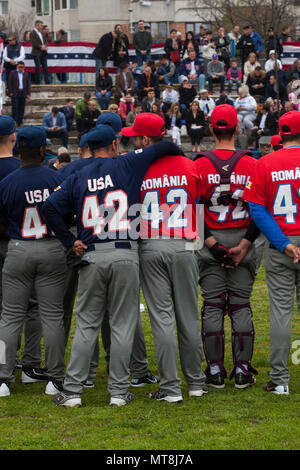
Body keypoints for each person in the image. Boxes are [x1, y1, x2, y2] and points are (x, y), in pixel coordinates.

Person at [42, 119, 182, 408]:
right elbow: (167, 145)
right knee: (122, 323)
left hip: (92, 253)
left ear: (89, 149)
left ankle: (72, 392)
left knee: (87, 325)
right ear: (115, 144)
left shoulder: (77, 175)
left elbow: (50, 207)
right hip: (125, 251)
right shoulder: (127, 163)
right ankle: (118, 392)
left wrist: (70, 242)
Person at [131, 117, 208, 403]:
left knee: (162, 319)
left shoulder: (138, 168)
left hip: (151, 243)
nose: (133, 141)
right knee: (188, 316)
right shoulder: (190, 165)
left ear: (147, 140)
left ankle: (171, 388)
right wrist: (196, 243)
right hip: (185, 243)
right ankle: (196, 384)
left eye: (137, 137)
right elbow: (197, 205)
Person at [194, 104, 259, 390]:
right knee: (241, 305)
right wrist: (244, 244)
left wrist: (213, 245)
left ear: (211, 129)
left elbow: (192, 211)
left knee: (212, 305)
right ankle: (243, 369)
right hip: (243, 235)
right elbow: (261, 211)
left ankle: (215, 369)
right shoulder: (252, 163)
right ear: (238, 129)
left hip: (211, 238)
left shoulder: (198, 164)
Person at [0, 126, 67, 398]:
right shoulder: (56, 180)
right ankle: (55, 377)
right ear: (43, 150)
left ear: (19, 149)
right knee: (52, 316)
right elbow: (67, 218)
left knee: (10, 316)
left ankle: (2, 378)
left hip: (18, 247)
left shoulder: (7, 183)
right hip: (51, 247)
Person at [244, 111, 300, 395]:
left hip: (280, 244)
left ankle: (280, 380)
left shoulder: (264, 163)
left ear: (281, 132)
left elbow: (257, 209)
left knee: (280, 312)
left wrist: (283, 243)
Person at [0, 116, 44, 390]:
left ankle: (3, 364)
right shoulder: (24, 168)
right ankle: (29, 365)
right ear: (14, 138)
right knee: (31, 307)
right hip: (23, 241)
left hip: (9, 242)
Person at [8, 62, 30, 127]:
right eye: (20, 67)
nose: (21, 68)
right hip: (15, 93)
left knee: (22, 108)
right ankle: (15, 121)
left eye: (22, 67)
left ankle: (20, 122)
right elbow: (9, 83)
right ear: (17, 67)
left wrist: (28, 93)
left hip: (23, 92)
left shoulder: (26, 74)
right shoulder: (12, 73)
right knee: (15, 107)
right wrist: (10, 92)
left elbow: (28, 84)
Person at [30, 20, 49, 85]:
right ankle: (37, 83)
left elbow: (46, 41)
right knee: (38, 68)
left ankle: (47, 83)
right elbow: (34, 42)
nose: (42, 27)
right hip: (36, 53)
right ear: (37, 25)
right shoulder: (32, 33)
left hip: (43, 52)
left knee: (45, 68)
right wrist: (41, 47)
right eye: (41, 25)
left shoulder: (41, 33)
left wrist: (45, 46)